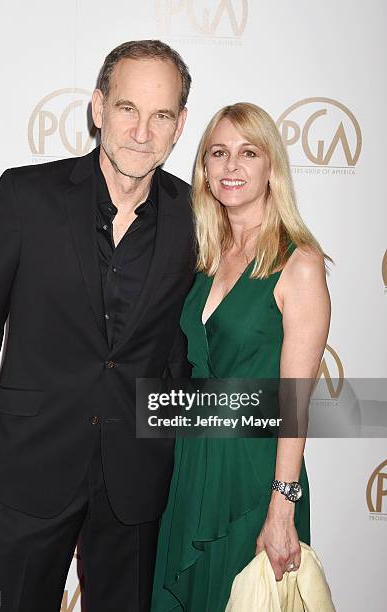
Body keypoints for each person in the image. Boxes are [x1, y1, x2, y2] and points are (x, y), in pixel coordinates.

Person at [0, 39, 196, 612]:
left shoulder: (193, 217)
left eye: (161, 116)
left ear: (180, 126)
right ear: (98, 108)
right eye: (128, 109)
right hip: (32, 462)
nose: (141, 131)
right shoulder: (27, 196)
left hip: (137, 476)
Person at [151, 102, 331, 611]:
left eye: (248, 153)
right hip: (192, 463)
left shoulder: (299, 262)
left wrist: (282, 506)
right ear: (204, 170)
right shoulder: (206, 256)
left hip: (253, 477)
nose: (231, 166)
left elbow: (295, 400)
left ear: (270, 166)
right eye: (218, 153)